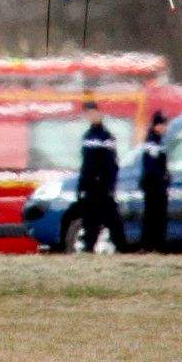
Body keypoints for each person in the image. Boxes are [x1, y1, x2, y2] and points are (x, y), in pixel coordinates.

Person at [72, 102, 128, 253]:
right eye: (88, 114)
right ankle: (88, 249)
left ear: (99, 114)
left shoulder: (106, 137)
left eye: (93, 113)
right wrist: (81, 186)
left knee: (112, 220)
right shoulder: (87, 137)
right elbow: (85, 165)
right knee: (90, 221)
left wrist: (110, 185)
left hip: (103, 187)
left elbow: (111, 164)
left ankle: (122, 249)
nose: (91, 117)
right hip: (90, 187)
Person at [137, 113, 172, 252]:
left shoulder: (157, 141)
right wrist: (162, 179)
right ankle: (152, 245)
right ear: (157, 125)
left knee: (156, 216)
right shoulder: (152, 142)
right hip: (154, 186)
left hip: (155, 185)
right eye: (164, 125)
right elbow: (152, 166)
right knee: (154, 216)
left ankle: (154, 244)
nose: (165, 128)